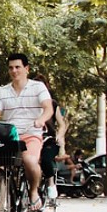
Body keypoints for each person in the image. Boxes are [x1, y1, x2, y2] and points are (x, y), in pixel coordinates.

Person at [0, 53, 53, 210]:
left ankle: (33, 192)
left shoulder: (38, 87)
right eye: (11, 68)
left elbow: (48, 108)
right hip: (10, 137)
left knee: (29, 161)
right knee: (0, 168)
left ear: (26, 69)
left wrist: (41, 119)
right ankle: (0, 209)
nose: (14, 71)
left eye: (18, 67)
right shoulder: (2, 91)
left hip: (31, 134)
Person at [34, 74, 67, 202]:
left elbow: (62, 124)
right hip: (31, 137)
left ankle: (51, 183)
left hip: (48, 139)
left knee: (46, 159)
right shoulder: (28, 102)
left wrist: (59, 136)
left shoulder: (52, 103)